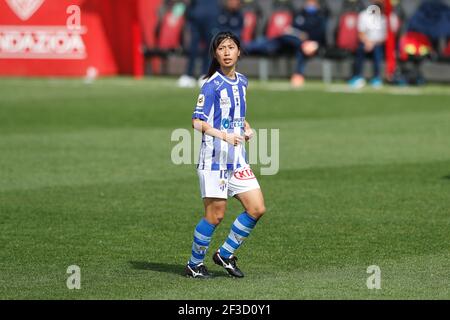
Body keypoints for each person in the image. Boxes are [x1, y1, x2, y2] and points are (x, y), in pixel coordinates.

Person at [185, 31, 266, 279]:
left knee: (257, 208)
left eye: (231, 47)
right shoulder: (210, 85)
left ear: (239, 51)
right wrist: (224, 136)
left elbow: (236, 113)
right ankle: (194, 264)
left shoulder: (242, 81)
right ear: (215, 54)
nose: (227, 52)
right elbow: (197, 121)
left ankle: (225, 253)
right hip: (214, 159)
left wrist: (246, 127)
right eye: (221, 48)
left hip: (237, 158)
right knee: (215, 215)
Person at [244, 0, 327, 87]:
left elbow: (319, 35)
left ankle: (298, 75)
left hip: (309, 46)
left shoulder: (320, 18)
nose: (310, 5)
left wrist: (311, 42)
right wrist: (300, 36)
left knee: (301, 50)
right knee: (275, 41)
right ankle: (245, 48)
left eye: (312, 3)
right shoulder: (299, 15)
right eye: (308, 3)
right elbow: (292, 29)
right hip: (290, 42)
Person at [348, 0, 398, 89]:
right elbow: (361, 33)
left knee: (377, 51)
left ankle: (377, 77)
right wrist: (368, 42)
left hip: (379, 44)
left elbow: (389, 36)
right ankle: (357, 76)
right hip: (365, 43)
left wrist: (374, 43)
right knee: (360, 49)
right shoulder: (364, 15)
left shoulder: (389, 17)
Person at [177, 0, 221, 88]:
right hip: (196, 16)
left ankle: (206, 74)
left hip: (211, 16)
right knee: (193, 47)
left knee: (209, 46)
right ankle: (189, 74)